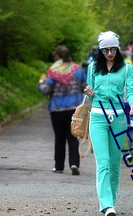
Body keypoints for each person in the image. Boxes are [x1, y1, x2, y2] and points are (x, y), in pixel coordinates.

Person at [84, 31, 133, 216]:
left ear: (118, 48)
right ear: (100, 50)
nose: (109, 53)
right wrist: (89, 92)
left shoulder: (126, 68)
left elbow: (130, 90)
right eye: (105, 50)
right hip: (97, 117)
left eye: (113, 49)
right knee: (103, 162)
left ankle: (112, 201)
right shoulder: (92, 68)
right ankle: (106, 205)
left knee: (115, 163)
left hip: (119, 118)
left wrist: (132, 104)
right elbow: (90, 97)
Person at [38, 45, 87, 175]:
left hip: (57, 109)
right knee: (73, 137)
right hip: (74, 109)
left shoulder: (53, 71)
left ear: (57, 57)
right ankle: (74, 163)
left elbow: (46, 90)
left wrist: (41, 83)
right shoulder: (78, 70)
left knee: (59, 138)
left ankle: (59, 166)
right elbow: (85, 87)